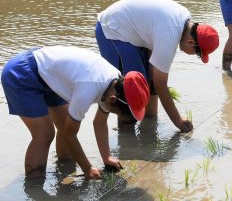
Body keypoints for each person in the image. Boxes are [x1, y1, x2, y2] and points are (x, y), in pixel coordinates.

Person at [1, 46, 150, 179]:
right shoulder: (89, 89)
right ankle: (34, 187)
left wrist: (107, 157)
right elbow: (70, 134)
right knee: (44, 135)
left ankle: (64, 168)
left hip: (50, 74)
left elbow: (100, 122)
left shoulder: (116, 84)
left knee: (63, 123)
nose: (115, 115)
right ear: (112, 100)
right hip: (23, 73)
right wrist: (87, 168)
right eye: (117, 113)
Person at [95, 0, 219, 133]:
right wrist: (178, 120)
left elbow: (154, 79)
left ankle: (148, 127)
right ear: (191, 42)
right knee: (130, 89)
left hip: (131, 32)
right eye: (197, 54)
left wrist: (151, 117)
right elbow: (161, 85)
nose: (194, 55)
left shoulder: (184, 18)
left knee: (145, 81)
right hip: (112, 30)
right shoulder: (170, 35)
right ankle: (126, 141)